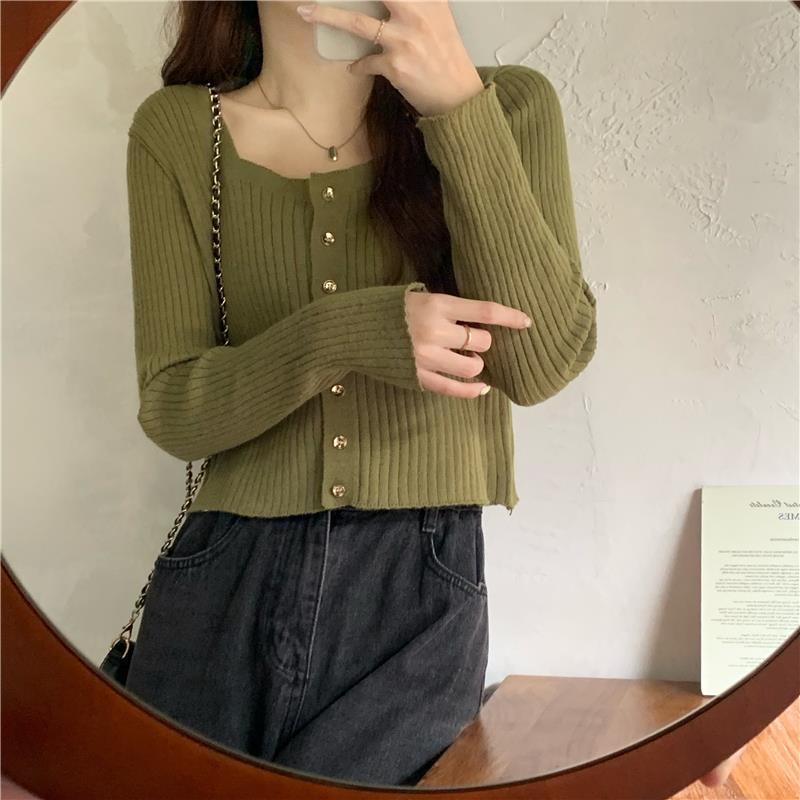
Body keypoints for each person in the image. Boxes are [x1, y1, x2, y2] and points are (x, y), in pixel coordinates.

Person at [122, 0, 597, 787]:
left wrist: (456, 106)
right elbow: (175, 407)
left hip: (420, 580)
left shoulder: (509, 105)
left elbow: (538, 362)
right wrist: (349, 332)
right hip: (228, 573)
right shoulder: (179, 130)